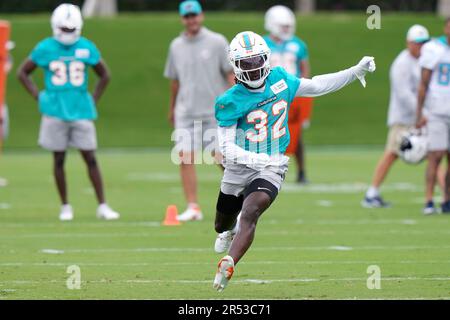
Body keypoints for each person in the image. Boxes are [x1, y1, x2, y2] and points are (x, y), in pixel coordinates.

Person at [212, 31, 375, 291]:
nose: (253, 69)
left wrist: (354, 71)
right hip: (240, 166)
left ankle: (230, 261)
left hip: (273, 164)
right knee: (222, 223)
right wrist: (255, 158)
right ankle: (226, 231)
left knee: (252, 211)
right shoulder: (229, 101)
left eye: (257, 61)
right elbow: (226, 149)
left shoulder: (281, 79)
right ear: (235, 65)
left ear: (266, 59)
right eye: (246, 63)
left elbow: (318, 85)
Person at [17, 4, 119, 221]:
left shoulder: (86, 47)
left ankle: (102, 205)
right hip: (54, 110)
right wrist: (39, 96)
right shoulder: (45, 47)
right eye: (64, 29)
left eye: (71, 29)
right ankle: (65, 206)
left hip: (81, 110)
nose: (68, 33)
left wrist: (93, 98)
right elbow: (23, 73)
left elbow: (105, 74)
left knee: (90, 157)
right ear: (55, 26)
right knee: (59, 159)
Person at [164, 0, 234, 221]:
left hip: (215, 112)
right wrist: (172, 107)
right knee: (185, 158)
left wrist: (237, 104)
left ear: (201, 16)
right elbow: (175, 80)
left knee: (222, 159)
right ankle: (193, 206)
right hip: (186, 112)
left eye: (194, 15)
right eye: (187, 16)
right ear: (182, 19)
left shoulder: (217, 41)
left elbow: (230, 74)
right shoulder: (175, 45)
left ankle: (237, 201)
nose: (191, 19)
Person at [362, 25, 431, 208]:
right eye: (418, 43)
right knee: (392, 153)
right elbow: (404, 94)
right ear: (409, 43)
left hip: (421, 118)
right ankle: (371, 193)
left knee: (434, 154)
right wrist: (421, 114)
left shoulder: (424, 60)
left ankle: (439, 197)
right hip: (403, 119)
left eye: (424, 42)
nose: (421, 46)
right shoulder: (402, 63)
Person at [264, 5, 312, 184]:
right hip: (269, 95)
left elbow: (305, 69)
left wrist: (304, 95)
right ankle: (266, 170)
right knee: (266, 132)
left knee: (296, 134)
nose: (286, 29)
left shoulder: (298, 44)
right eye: (282, 26)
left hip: (293, 94)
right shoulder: (262, 43)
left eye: (287, 26)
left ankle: (301, 172)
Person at [416, 18, 450, 215]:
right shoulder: (434, 48)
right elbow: (423, 83)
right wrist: (419, 113)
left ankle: (447, 199)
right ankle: (429, 199)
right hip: (437, 111)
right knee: (435, 155)